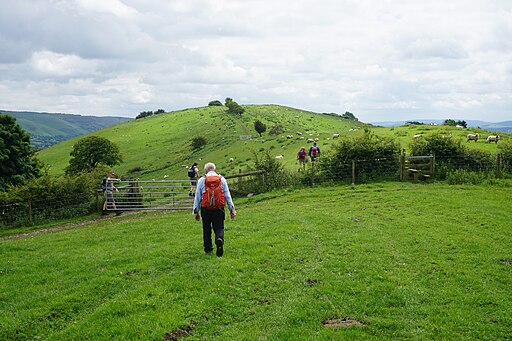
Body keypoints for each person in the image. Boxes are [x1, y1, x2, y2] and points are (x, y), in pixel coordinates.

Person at [193, 162, 236, 257]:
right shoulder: (221, 179)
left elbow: (198, 197)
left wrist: (196, 211)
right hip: (219, 208)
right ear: (215, 169)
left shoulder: (202, 180)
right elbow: (227, 195)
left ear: (205, 170)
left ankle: (208, 249)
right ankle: (219, 238)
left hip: (206, 209)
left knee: (206, 228)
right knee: (219, 227)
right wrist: (232, 208)